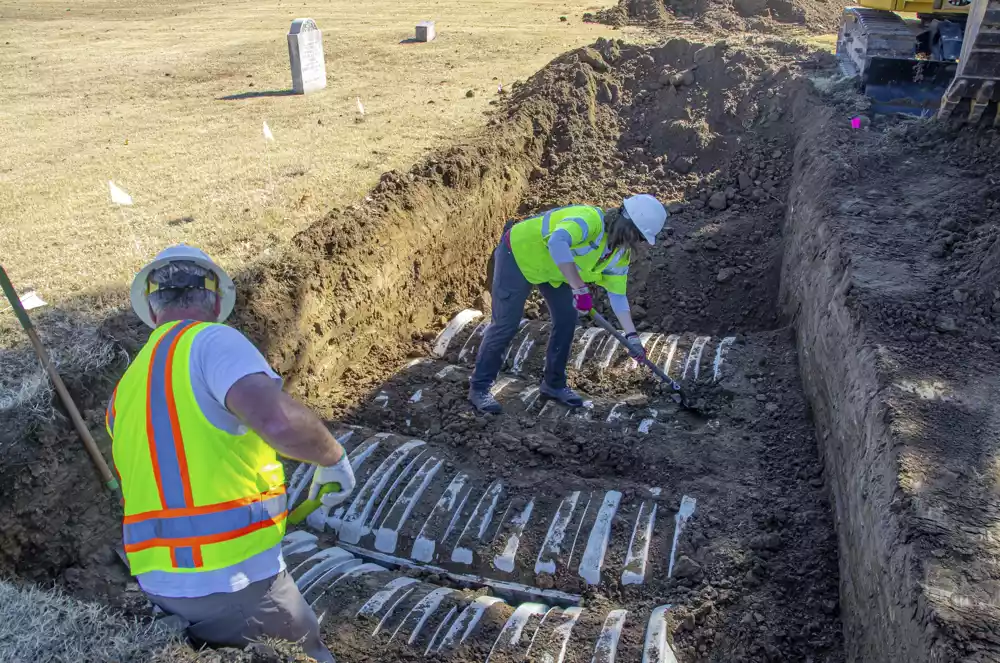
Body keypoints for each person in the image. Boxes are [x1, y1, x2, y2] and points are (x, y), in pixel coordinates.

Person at [106, 245, 355, 662]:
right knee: (308, 655)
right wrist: (333, 457)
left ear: (151, 311)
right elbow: (277, 421)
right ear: (217, 300)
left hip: (163, 584)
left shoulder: (125, 388)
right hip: (232, 579)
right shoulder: (211, 341)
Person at [469, 194, 668, 413]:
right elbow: (557, 241)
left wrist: (632, 337)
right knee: (506, 324)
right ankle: (480, 388)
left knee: (566, 319)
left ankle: (554, 384)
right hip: (518, 254)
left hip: (553, 271)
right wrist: (579, 287)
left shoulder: (619, 255)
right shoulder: (588, 219)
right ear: (627, 225)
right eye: (638, 236)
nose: (637, 243)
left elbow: (618, 297)